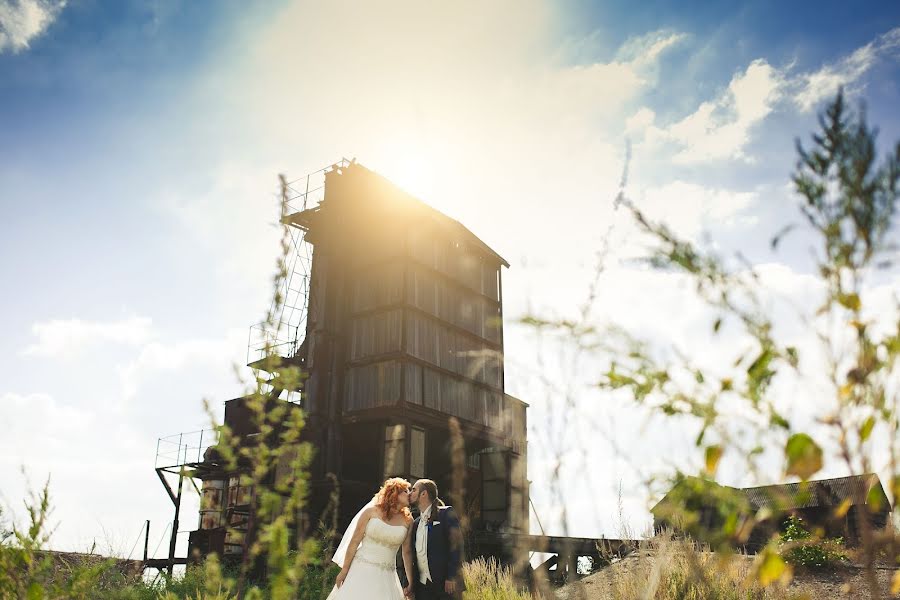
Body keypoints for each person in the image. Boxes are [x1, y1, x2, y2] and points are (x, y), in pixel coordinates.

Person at [327, 477, 416, 599]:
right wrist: (344, 570)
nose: (409, 494)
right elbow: (354, 541)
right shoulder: (370, 512)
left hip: (387, 576)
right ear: (394, 493)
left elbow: (406, 552)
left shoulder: (408, 520)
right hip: (361, 569)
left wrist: (411, 582)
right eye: (406, 491)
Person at [405, 479, 465, 600]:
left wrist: (451, 576)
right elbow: (411, 554)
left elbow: (456, 546)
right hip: (423, 587)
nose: (410, 493)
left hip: (446, 585)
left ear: (424, 493)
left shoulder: (446, 513)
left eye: (414, 489)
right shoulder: (416, 523)